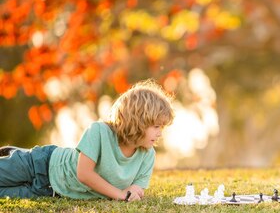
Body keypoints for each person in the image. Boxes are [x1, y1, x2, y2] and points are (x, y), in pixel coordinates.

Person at [0, 79, 175, 202]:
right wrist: (121, 195)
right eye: (156, 127)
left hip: (49, 192)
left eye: (162, 127)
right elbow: (84, 174)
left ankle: (14, 153)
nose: (160, 133)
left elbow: (136, 190)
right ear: (138, 121)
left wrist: (134, 193)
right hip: (42, 164)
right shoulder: (99, 131)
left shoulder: (147, 155)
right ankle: (18, 155)